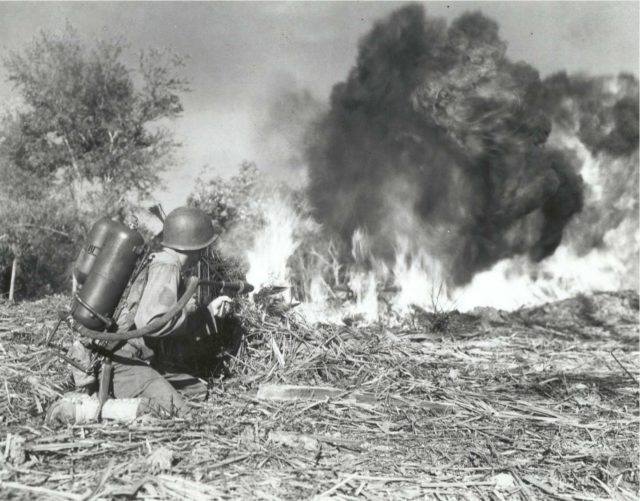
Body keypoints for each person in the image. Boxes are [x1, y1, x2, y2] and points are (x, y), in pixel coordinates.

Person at [49, 207, 233, 422]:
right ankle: (82, 410)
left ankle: (120, 393)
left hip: (129, 355)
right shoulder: (168, 266)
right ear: (196, 246)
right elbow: (154, 323)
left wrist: (206, 315)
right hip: (118, 360)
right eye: (204, 247)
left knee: (197, 391)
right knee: (178, 412)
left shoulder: (158, 259)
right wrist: (205, 311)